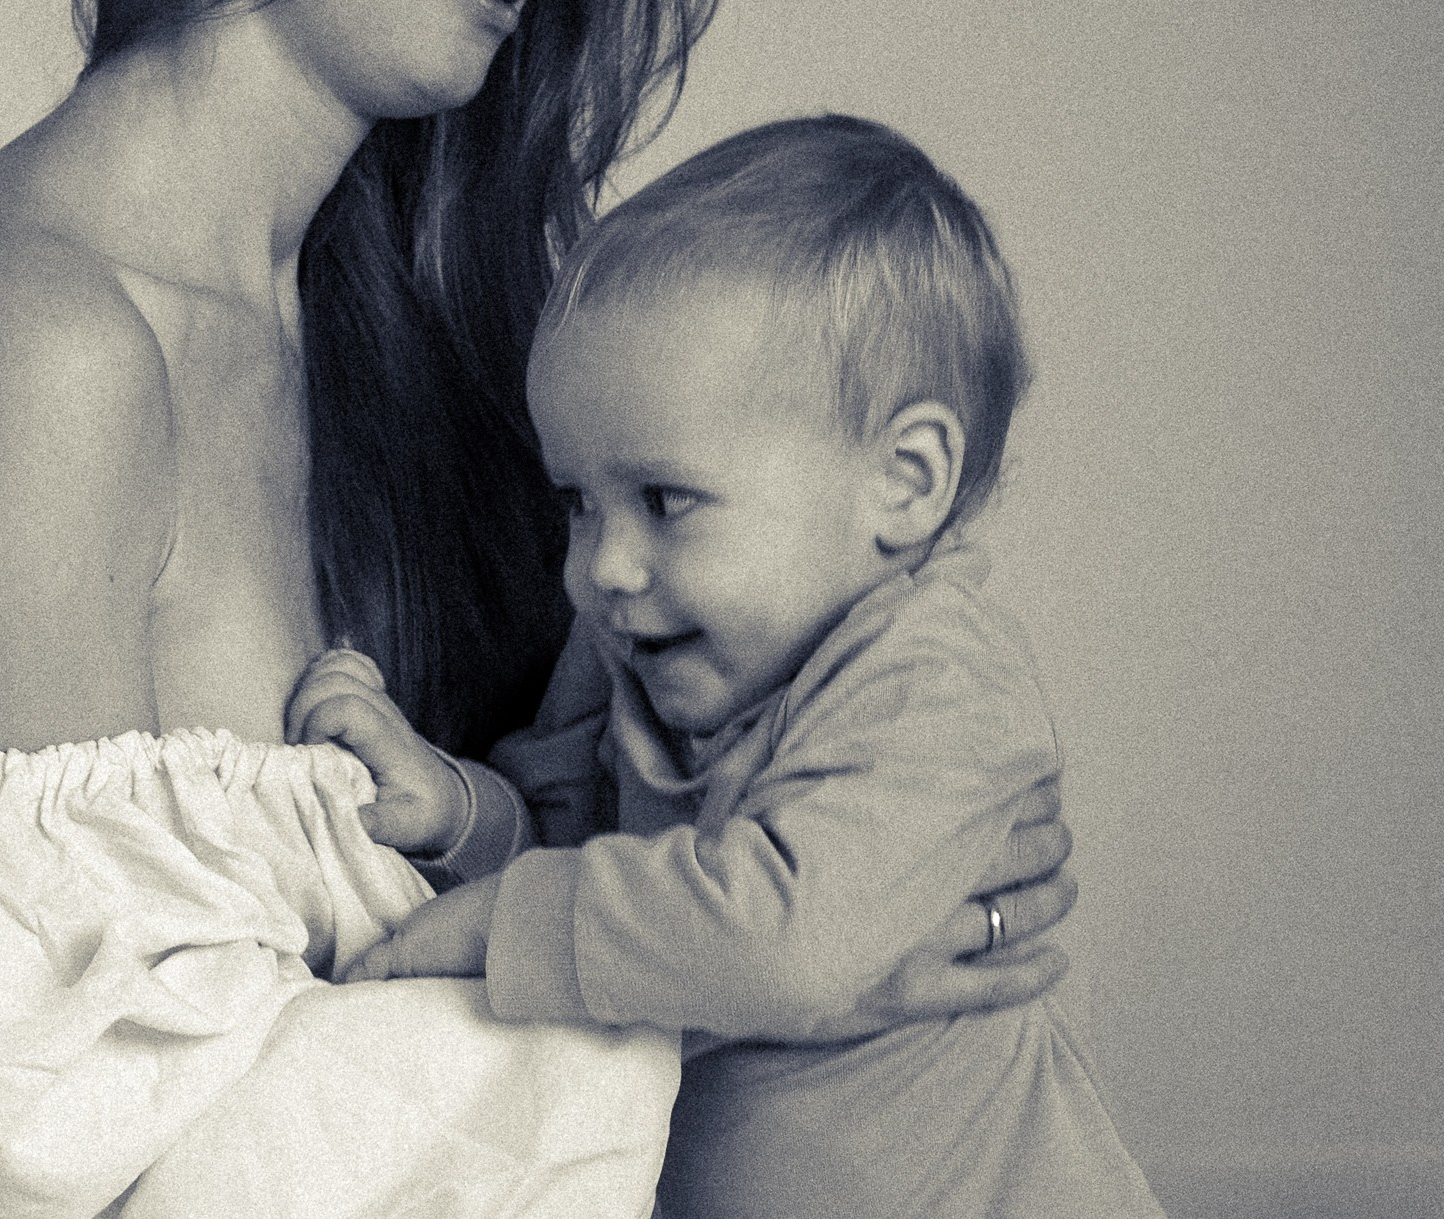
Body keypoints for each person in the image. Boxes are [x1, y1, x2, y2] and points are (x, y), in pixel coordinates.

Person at [0, 0, 1080, 1214]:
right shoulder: (36, 350)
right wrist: (783, 981)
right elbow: (39, 1169)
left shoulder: (428, 337)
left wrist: (786, 934)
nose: (611, 556)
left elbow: (587, 849)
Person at [292, 115, 1159, 1217]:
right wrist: (464, 812)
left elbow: (783, 941)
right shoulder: (637, 652)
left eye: (665, 500)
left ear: (903, 482)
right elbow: (582, 866)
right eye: (578, 503)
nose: (601, 567)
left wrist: (502, 921)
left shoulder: (936, 683)